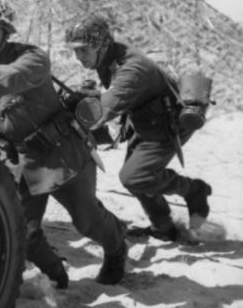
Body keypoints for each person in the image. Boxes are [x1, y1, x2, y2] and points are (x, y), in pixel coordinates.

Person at [0, 0, 128, 288]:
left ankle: (117, 247)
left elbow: (7, 78)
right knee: (24, 232)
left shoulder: (32, 58)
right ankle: (58, 275)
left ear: (5, 32)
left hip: (63, 155)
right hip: (25, 164)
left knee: (87, 222)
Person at [65, 14, 212, 241]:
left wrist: (78, 106)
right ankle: (163, 227)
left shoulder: (132, 69)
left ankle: (193, 190)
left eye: (83, 50)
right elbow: (116, 94)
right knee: (139, 177)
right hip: (143, 120)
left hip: (166, 126)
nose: (78, 57)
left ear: (101, 45)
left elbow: (102, 111)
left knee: (134, 177)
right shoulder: (109, 57)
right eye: (75, 51)